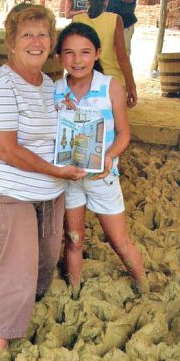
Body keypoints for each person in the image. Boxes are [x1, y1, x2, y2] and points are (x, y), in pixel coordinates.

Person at [0, 4, 86, 359]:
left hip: (50, 191)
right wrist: (57, 171)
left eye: (43, 35)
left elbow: (62, 135)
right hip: (10, 192)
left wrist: (79, 145)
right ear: (11, 41)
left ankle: (32, 301)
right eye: (27, 35)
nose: (37, 42)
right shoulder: (1, 84)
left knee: (46, 259)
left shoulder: (50, 87)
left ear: (51, 42)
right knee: (18, 264)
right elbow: (6, 150)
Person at [54, 22, 147, 296]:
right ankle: (74, 292)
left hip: (103, 178)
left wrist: (109, 157)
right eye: (69, 53)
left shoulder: (111, 87)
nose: (77, 60)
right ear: (60, 56)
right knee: (73, 240)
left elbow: (123, 134)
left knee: (119, 241)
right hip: (69, 179)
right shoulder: (56, 89)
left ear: (97, 53)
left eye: (85, 52)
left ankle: (143, 286)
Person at [73, 0, 137, 108]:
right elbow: (122, 57)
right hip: (111, 82)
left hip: (84, 80)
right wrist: (131, 85)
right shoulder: (115, 19)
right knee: (114, 123)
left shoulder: (77, 19)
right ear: (107, 0)